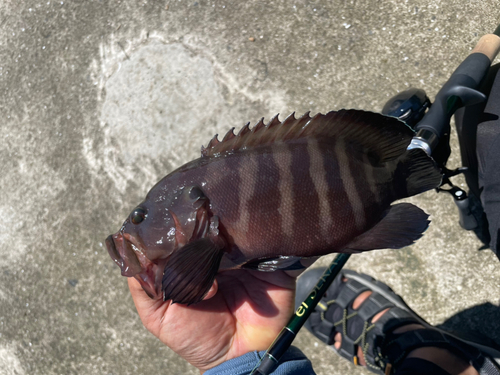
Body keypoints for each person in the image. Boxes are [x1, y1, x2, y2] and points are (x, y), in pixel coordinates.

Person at [128, 65, 500, 375]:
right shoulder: (198, 223)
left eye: (140, 217)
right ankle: (435, 357)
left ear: (194, 207)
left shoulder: (202, 220)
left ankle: (422, 352)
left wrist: (233, 361)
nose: (131, 232)